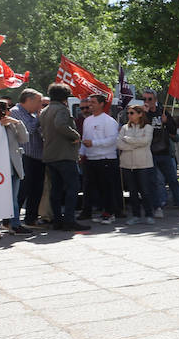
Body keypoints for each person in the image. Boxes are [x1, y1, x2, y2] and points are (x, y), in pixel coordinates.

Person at [39, 83, 89, 231]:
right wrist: (76, 135)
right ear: (64, 97)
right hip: (64, 155)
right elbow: (60, 125)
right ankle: (69, 220)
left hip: (50, 155)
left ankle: (58, 220)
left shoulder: (45, 110)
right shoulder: (61, 109)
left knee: (56, 189)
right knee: (72, 187)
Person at [0, 99, 30, 239]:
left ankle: (15, 225)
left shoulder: (10, 125)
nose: (9, 111)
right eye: (7, 108)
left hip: (12, 167)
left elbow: (24, 139)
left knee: (13, 199)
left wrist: (17, 123)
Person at [141, 90, 179, 214]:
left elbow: (173, 131)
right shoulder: (141, 114)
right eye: (144, 99)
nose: (146, 102)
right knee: (154, 182)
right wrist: (144, 115)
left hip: (164, 152)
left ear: (155, 100)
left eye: (149, 99)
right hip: (149, 153)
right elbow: (138, 129)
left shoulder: (163, 112)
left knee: (173, 180)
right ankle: (157, 207)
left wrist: (167, 122)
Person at [80, 93, 120, 224]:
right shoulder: (87, 120)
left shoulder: (108, 121)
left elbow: (113, 140)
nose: (90, 105)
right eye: (89, 102)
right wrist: (82, 153)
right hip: (90, 159)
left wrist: (94, 143)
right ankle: (87, 212)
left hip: (106, 158)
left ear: (102, 104)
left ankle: (109, 213)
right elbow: (84, 138)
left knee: (106, 188)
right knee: (88, 187)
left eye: (93, 102)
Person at [117, 103, 159, 224]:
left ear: (140, 114)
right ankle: (135, 215)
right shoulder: (125, 128)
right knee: (132, 191)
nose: (129, 115)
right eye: (128, 113)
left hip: (143, 164)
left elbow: (145, 142)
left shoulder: (148, 128)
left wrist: (128, 140)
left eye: (132, 113)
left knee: (145, 190)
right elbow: (119, 144)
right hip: (127, 164)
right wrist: (134, 145)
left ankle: (149, 214)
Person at [10, 88, 45, 227]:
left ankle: (31, 218)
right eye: (38, 102)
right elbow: (28, 130)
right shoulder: (16, 112)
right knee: (22, 190)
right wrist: (40, 118)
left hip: (38, 156)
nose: (40, 106)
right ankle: (13, 221)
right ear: (29, 100)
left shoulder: (32, 115)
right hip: (25, 156)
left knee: (36, 190)